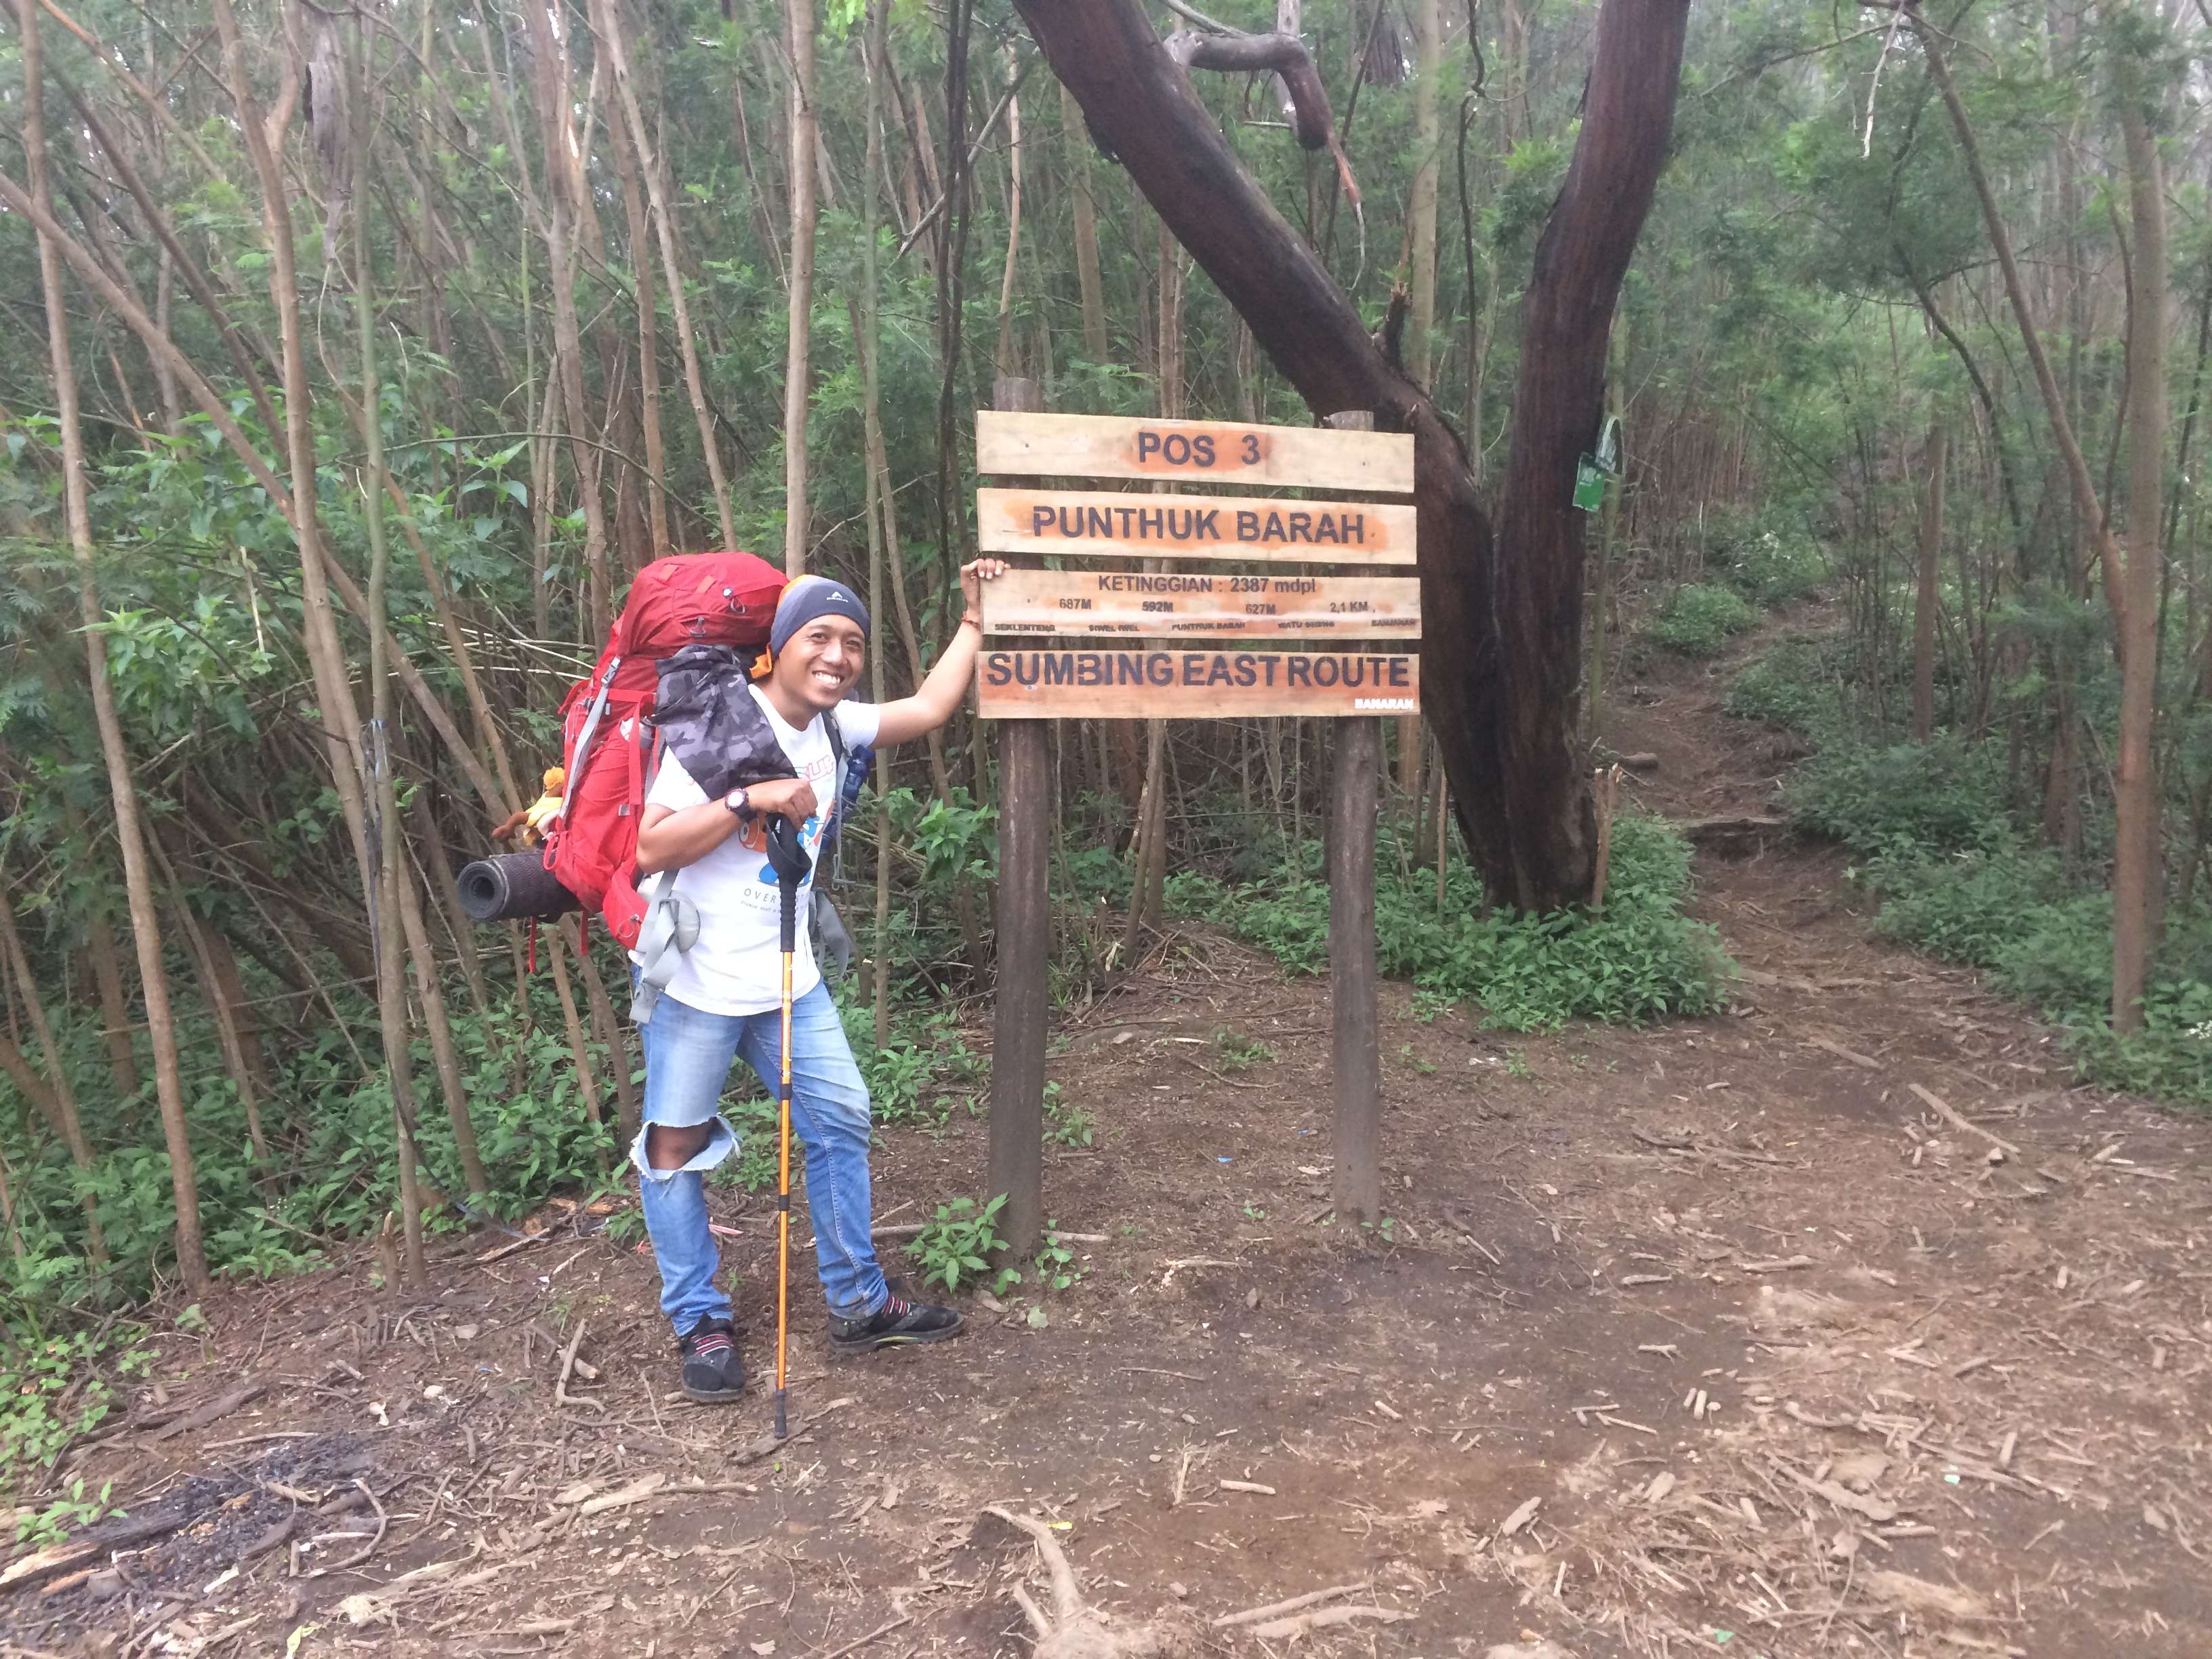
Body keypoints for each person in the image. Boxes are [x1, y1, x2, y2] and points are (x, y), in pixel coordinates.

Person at [630, 558, 1007, 1404]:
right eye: (819, 637)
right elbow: (651, 848)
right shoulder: (719, 726)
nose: (838, 655)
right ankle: (700, 1318)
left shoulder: (840, 728)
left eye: (853, 643)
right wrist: (747, 800)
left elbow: (932, 707)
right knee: (672, 1153)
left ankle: (858, 1302)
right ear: (777, 647)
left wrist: (976, 618)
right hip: (695, 986)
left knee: (841, 1122)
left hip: (788, 983)